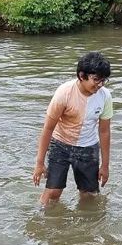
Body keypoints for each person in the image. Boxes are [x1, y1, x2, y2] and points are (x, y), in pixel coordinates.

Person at [33, 52, 113, 205]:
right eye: (96, 79)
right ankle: (40, 218)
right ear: (82, 76)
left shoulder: (105, 96)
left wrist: (105, 166)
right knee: (53, 193)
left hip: (88, 147)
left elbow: (104, 131)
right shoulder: (64, 93)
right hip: (60, 144)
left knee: (90, 197)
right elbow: (48, 128)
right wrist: (39, 163)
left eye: (103, 80)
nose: (100, 85)